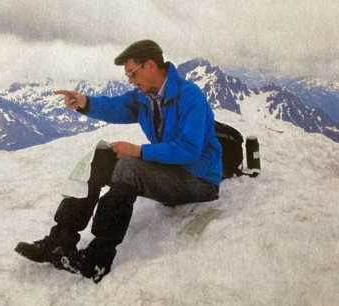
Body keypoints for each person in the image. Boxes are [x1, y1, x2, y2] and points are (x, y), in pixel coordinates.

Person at [15, 39, 222, 283]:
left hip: (198, 179)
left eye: (133, 74)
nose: (131, 81)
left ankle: (98, 259)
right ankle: (60, 239)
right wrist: (86, 103)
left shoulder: (190, 97)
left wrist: (139, 151)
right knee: (100, 156)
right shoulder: (146, 97)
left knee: (129, 165)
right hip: (170, 171)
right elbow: (116, 107)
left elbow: (190, 150)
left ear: (151, 66)